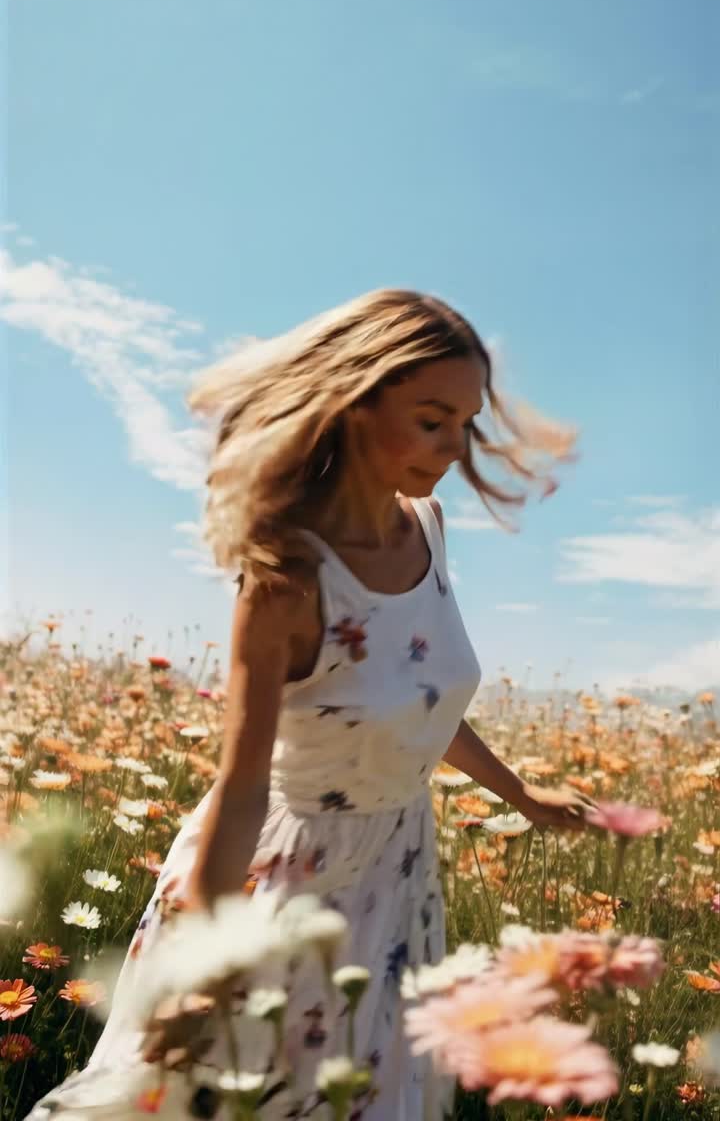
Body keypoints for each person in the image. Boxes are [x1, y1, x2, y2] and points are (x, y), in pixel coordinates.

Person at [28, 288, 592, 1120]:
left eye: (464, 424)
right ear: (355, 405)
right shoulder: (287, 578)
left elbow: (418, 704)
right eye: (431, 418)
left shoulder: (430, 528)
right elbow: (243, 784)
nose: (451, 448)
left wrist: (520, 796)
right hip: (283, 885)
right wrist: (206, 966)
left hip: (397, 875)